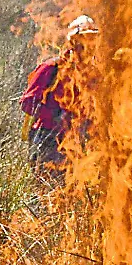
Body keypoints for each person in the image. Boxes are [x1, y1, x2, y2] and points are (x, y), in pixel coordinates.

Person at [20, 14, 98, 168]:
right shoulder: (52, 68)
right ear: (73, 42)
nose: (89, 46)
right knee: (47, 189)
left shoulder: (90, 74)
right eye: (84, 40)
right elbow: (27, 102)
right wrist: (54, 116)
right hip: (47, 138)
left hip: (73, 141)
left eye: (92, 40)